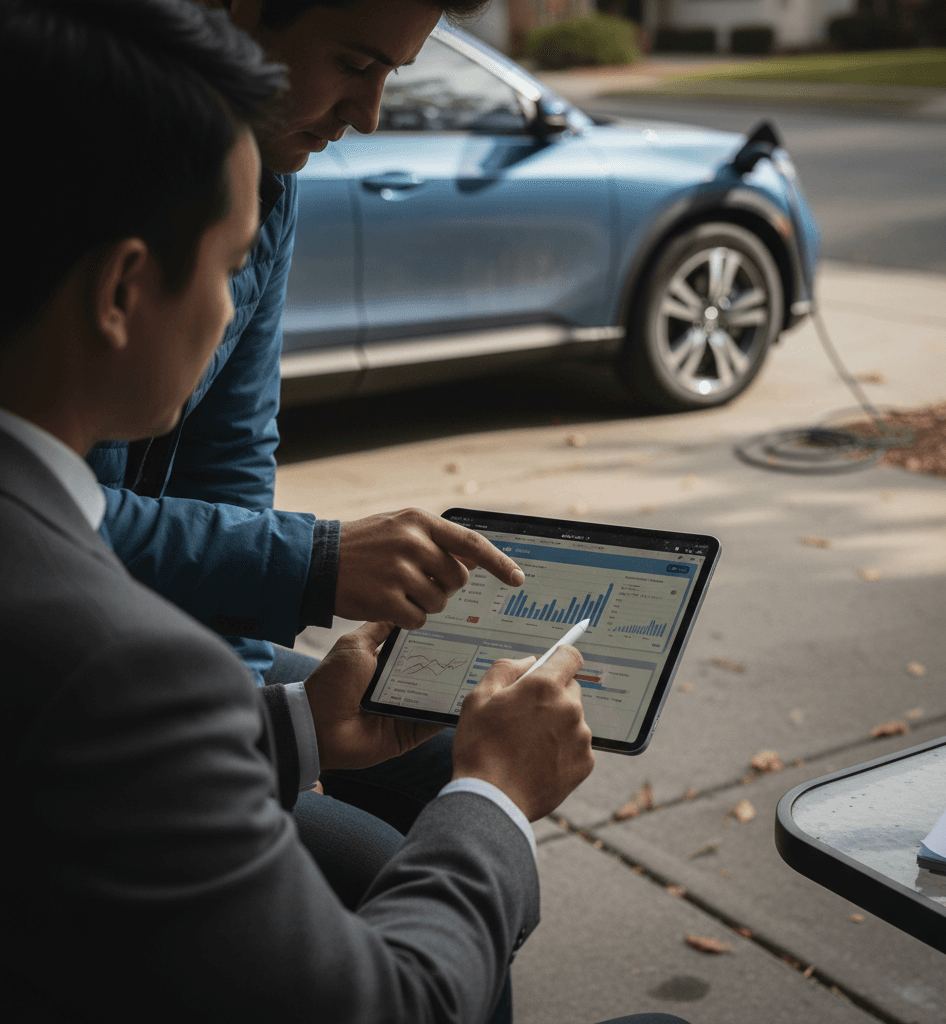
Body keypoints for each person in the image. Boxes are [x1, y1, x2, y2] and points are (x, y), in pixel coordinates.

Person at [0, 1, 601, 1020]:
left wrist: (289, 734)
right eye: (231, 268)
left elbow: (231, 460)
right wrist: (494, 799)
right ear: (120, 290)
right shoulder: (122, 662)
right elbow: (395, 1003)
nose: (239, 310)